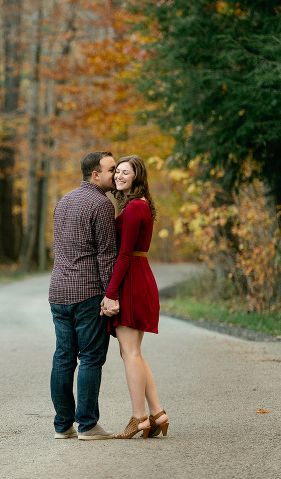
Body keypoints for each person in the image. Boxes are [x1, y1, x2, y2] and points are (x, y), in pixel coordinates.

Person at [49, 151, 120, 440]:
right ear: (95, 175)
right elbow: (106, 255)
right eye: (111, 169)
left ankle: (62, 426)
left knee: (64, 357)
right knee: (91, 357)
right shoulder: (102, 204)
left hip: (58, 291)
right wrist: (110, 295)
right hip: (87, 292)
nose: (115, 175)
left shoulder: (63, 201)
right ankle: (88, 425)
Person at [100, 154, 169, 439]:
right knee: (134, 353)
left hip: (131, 280)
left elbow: (125, 254)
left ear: (137, 177)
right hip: (140, 276)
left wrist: (110, 293)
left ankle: (138, 416)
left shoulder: (131, 210)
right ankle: (157, 414)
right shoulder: (139, 206)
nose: (118, 176)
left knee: (130, 354)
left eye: (125, 172)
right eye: (117, 172)